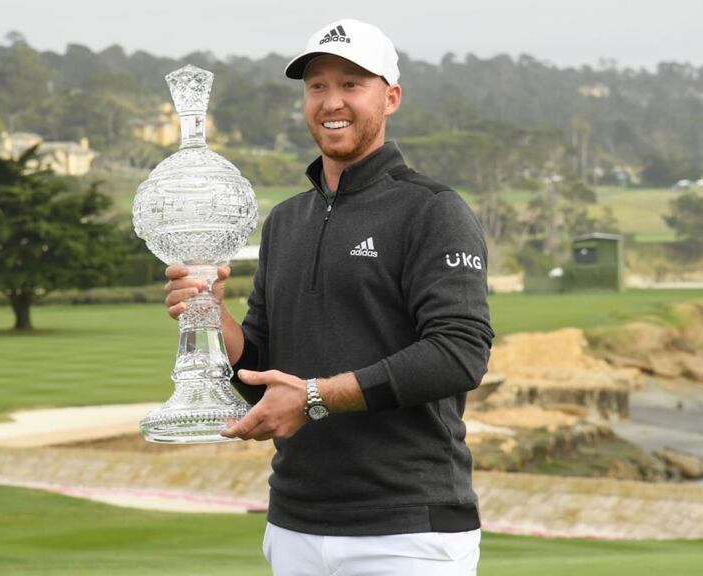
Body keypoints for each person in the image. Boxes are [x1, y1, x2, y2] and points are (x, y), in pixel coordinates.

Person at [164, 18, 493, 576]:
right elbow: (263, 367)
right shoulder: (286, 220)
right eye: (317, 85)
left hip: (406, 530)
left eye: (351, 84)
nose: (330, 101)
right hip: (293, 523)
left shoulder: (432, 210)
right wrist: (213, 315)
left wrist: (315, 396)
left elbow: (460, 352)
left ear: (390, 98)